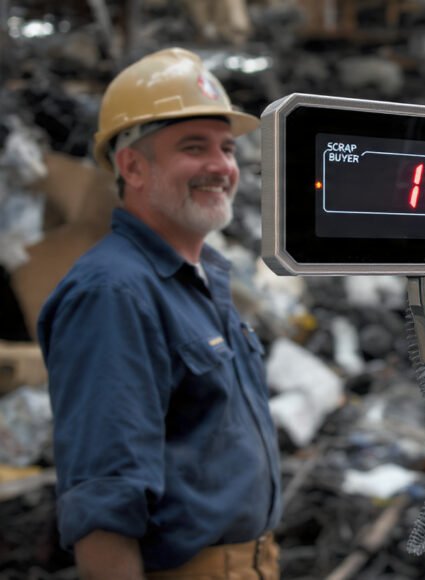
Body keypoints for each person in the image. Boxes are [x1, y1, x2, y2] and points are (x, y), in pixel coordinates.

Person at [38, 48, 281, 578]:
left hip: (254, 563)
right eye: (193, 148)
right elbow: (104, 500)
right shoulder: (113, 293)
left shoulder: (204, 276)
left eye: (226, 148)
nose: (221, 167)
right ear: (132, 166)